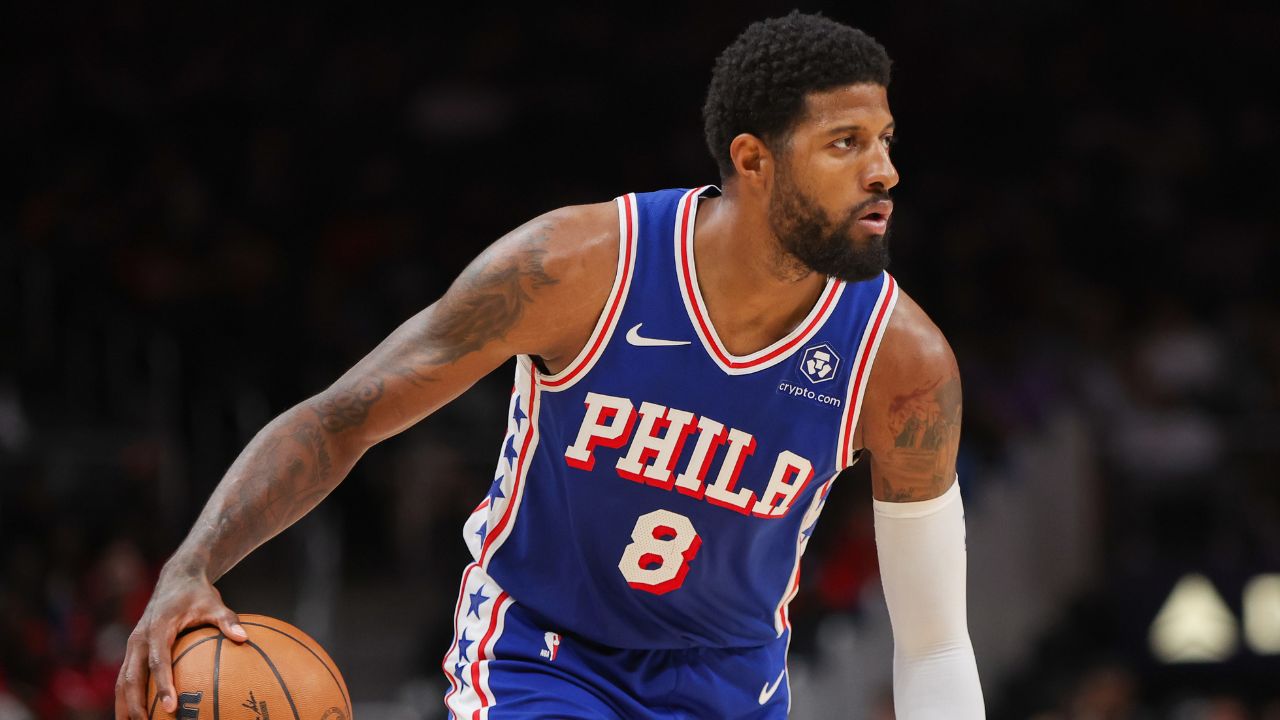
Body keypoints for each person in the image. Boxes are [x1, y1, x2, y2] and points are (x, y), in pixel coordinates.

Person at [115, 11, 984, 719]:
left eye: (886, 139)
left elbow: (936, 641)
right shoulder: (579, 268)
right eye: (846, 144)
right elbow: (343, 418)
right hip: (541, 657)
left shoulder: (903, 365)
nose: (886, 172)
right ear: (754, 160)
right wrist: (192, 564)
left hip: (730, 688)